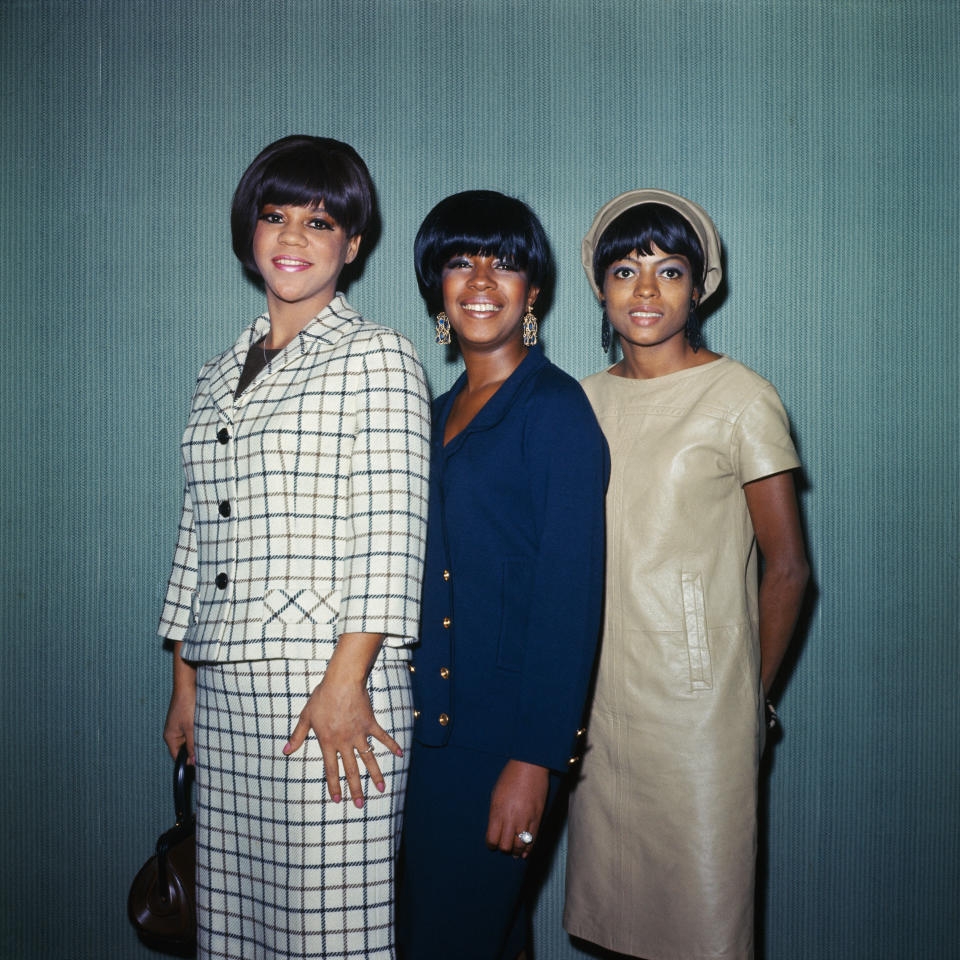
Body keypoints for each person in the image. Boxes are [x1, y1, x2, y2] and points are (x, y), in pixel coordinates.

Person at [158, 135, 430, 960]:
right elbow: (198, 532)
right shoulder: (217, 372)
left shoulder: (374, 355)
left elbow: (394, 532)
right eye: (274, 216)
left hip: (331, 690)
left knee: (330, 931)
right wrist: (186, 682)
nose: (292, 239)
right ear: (249, 230)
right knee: (236, 927)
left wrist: (345, 684)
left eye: (319, 222)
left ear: (352, 244)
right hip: (229, 685)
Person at [563, 189, 810, 960]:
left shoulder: (739, 397)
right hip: (600, 714)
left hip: (701, 718)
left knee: (704, 927)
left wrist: (748, 698)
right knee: (616, 925)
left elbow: (790, 569)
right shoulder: (580, 403)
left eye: (670, 271)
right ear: (599, 285)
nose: (645, 291)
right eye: (626, 270)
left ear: (699, 286)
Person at [397, 190, 608, 960]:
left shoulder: (555, 408)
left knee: (452, 940)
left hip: (502, 743)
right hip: (424, 738)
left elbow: (570, 598)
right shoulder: (430, 409)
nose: (482, 278)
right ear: (437, 290)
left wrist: (534, 761)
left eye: (505, 261)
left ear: (533, 292)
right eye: (460, 260)